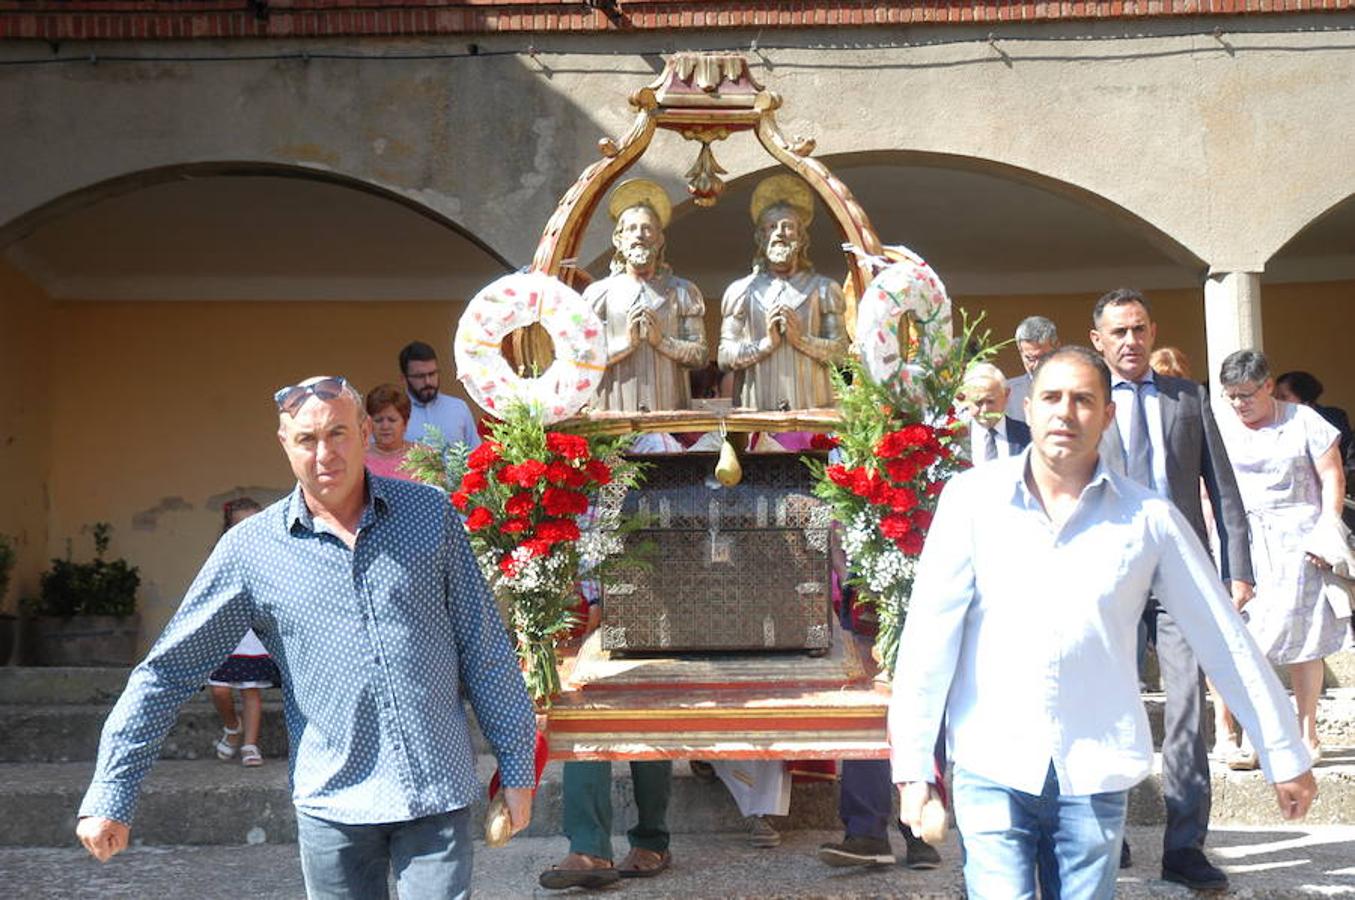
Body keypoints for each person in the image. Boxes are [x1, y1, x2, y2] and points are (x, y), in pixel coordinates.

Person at [76, 375, 537, 899]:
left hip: (435, 793)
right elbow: (166, 672)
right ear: (284, 445)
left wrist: (517, 765)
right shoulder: (251, 550)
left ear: (365, 432)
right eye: (307, 439)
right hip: (333, 806)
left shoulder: (430, 516)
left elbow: (485, 647)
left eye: (338, 433)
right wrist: (112, 791)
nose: (325, 454)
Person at [890, 346, 1316, 900]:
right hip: (991, 761)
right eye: (1051, 397)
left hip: (1093, 771)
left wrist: (1283, 752)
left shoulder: (1147, 519)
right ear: (1029, 405)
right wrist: (913, 768)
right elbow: (928, 638)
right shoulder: (972, 502)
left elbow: (1221, 636)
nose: (1065, 412)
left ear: (1107, 414)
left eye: (1084, 400)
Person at [1089, 287, 1254, 889]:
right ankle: (1108, 838)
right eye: (1119, 332)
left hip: (1182, 574)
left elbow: (1224, 487)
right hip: (1106, 580)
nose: (1131, 341)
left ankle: (1186, 848)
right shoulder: (1086, 402)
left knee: (1189, 709)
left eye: (1139, 329)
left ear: (1152, 331)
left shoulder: (1189, 397)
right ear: (1098, 341)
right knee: (1105, 704)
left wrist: (1240, 568)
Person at [1214, 350, 1349, 766]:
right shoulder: (1219, 423)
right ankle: (1238, 733)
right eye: (1231, 396)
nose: (1239, 404)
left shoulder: (1303, 419)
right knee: (1237, 635)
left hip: (1299, 538)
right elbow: (1206, 485)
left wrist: (1328, 529)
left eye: (1247, 395)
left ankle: (1307, 732)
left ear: (1268, 385)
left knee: (1305, 637)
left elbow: (1331, 475)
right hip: (1240, 538)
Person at [719, 174, 850, 411]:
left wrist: (801, 340)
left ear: (800, 238)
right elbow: (725, 356)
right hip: (756, 412)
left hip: (814, 410)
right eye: (771, 227)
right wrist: (767, 344)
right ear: (761, 237)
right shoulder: (741, 291)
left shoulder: (824, 289)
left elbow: (841, 353)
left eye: (788, 226)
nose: (779, 233)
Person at [583, 179, 708, 413]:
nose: (639, 235)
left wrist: (661, 341)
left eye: (647, 228)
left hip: (669, 410)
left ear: (660, 240)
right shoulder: (598, 294)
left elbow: (700, 355)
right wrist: (625, 344)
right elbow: (583, 359)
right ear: (618, 240)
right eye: (631, 229)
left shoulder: (683, 291)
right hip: (614, 412)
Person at [206, 497, 278, 769]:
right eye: (241, 525)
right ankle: (232, 726)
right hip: (227, 629)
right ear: (229, 528)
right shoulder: (222, 555)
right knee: (219, 688)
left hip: (254, 633)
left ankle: (250, 743)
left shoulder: (271, 556)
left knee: (251, 690)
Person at [399, 340, 481, 450]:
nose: (427, 381)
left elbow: (475, 453)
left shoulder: (458, 408)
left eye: (432, 374)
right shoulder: (395, 414)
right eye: (420, 376)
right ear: (403, 379)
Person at [1275, 370, 1354, 468]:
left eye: (1283, 397)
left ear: (1305, 398)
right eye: (1275, 397)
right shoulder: (1275, 422)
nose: (1277, 401)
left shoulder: (1333, 418)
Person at [961, 362, 1031, 464]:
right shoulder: (957, 441)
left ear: (1006, 395)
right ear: (966, 400)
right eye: (978, 403)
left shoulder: (1028, 436)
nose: (985, 409)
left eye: (990, 401)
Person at [1004, 315, 1059, 423]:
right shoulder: (1006, 394)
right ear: (1020, 351)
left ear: (1057, 347)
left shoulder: (1076, 386)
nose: (1038, 365)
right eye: (1030, 358)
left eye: (1044, 357)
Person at [364, 382, 421, 482]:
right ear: (369, 423)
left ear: (405, 422)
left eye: (392, 420)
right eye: (378, 420)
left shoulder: (423, 458)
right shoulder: (359, 458)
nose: (385, 426)